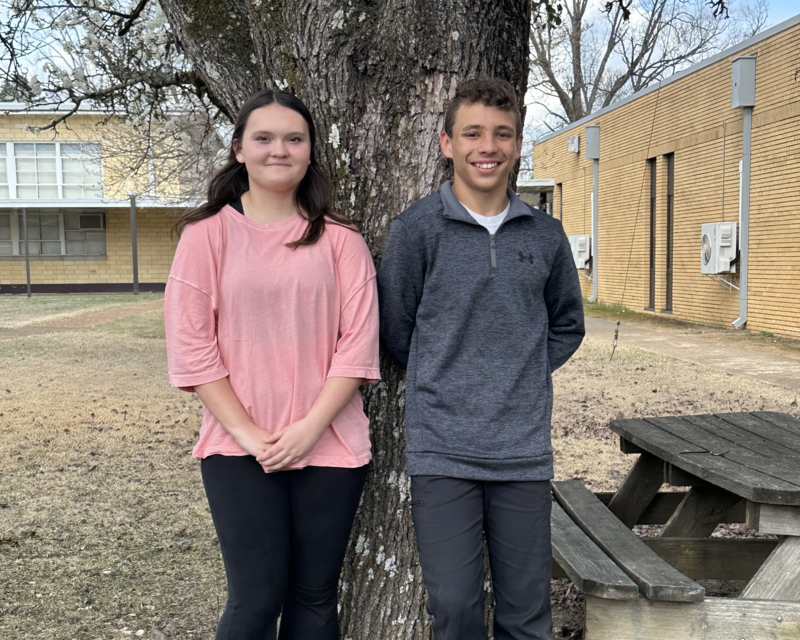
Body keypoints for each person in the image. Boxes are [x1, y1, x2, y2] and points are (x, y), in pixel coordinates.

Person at [164, 89, 379, 640]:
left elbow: (357, 347)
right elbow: (192, 349)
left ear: (309, 151)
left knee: (314, 599)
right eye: (263, 138)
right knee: (255, 599)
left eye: (293, 139)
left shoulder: (341, 239)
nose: (278, 150)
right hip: (238, 448)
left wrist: (308, 430)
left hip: (330, 444)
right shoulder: (206, 236)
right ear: (239, 149)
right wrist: (250, 435)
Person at [378, 77, 584, 640]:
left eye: (502, 134)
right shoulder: (416, 230)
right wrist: (451, 374)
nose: (487, 146)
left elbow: (567, 324)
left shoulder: (545, 236)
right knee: (455, 608)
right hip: (442, 451)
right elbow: (396, 330)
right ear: (447, 143)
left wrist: (518, 369)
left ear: (517, 145)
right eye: (472, 133)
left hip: (522, 451)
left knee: (526, 613)